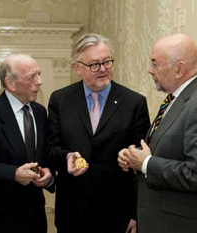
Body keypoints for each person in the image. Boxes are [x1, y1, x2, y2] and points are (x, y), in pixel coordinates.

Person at [118, 34, 197, 233]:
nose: (150, 70)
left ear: (179, 69)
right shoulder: (176, 99)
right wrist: (136, 159)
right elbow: (167, 152)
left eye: (155, 64)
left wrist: (145, 164)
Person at [47, 33, 150, 233]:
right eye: (94, 64)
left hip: (117, 215)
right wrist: (67, 157)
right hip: (72, 212)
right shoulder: (60, 100)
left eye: (107, 62)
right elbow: (50, 150)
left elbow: (141, 160)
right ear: (77, 68)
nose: (103, 69)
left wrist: (134, 213)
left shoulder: (134, 103)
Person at [0, 54, 54, 233]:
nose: (40, 82)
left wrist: (49, 177)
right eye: (32, 77)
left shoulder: (39, 112)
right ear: (10, 83)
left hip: (36, 218)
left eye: (39, 74)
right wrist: (13, 174)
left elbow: (43, 157)